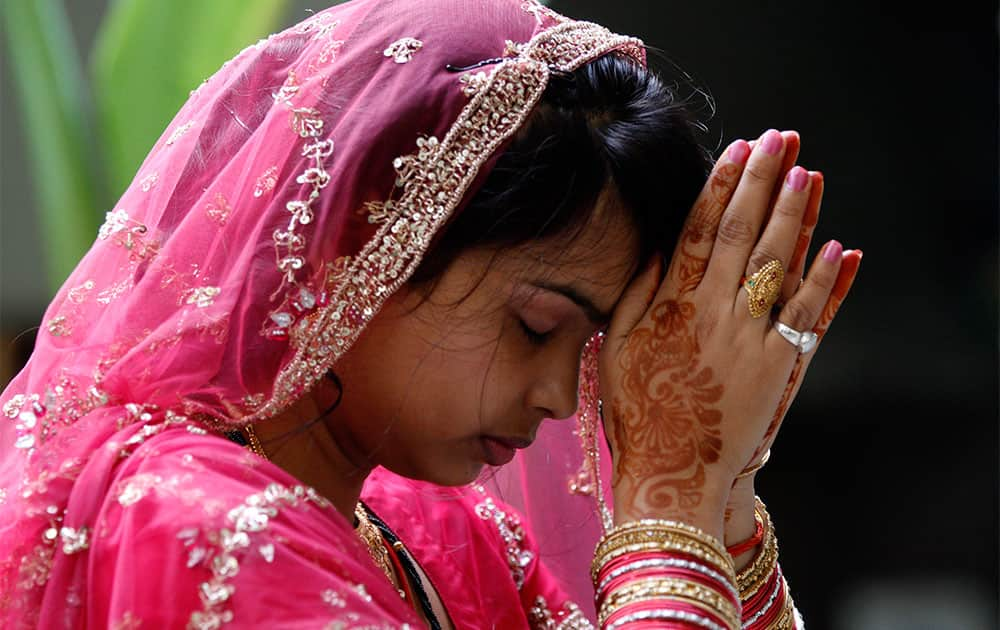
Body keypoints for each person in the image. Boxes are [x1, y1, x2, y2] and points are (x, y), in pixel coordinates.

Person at [0, 0, 862, 627]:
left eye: (593, 346)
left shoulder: (442, 538)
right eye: (534, 326)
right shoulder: (192, 520)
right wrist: (672, 503)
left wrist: (726, 494)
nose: (564, 398)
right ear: (360, 251)